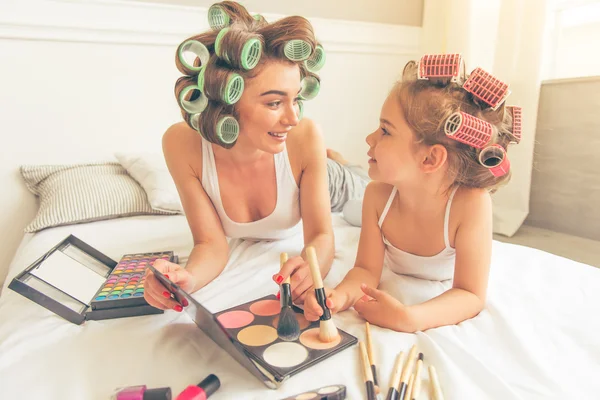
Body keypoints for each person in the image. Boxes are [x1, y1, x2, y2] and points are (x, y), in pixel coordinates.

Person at [144, 1, 368, 312]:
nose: (292, 117)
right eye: (275, 103)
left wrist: (309, 263)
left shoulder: (304, 133)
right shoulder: (181, 144)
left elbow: (320, 234)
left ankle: (340, 162)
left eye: (296, 99)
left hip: (337, 183)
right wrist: (186, 279)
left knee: (367, 189)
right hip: (299, 158)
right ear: (227, 102)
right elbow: (210, 243)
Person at [303, 56, 521, 332]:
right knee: (351, 207)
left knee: (352, 202)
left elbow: (470, 294)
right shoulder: (377, 196)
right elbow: (366, 270)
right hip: (367, 198)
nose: (370, 138)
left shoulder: (472, 205)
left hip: (384, 192)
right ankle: (344, 163)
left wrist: (409, 317)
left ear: (430, 159)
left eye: (385, 131)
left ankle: (345, 163)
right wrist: (339, 296)